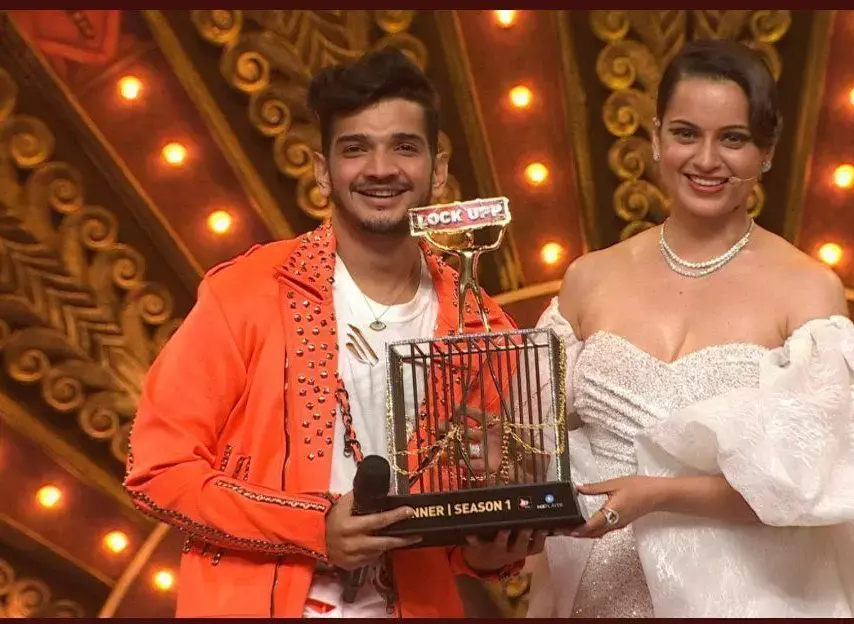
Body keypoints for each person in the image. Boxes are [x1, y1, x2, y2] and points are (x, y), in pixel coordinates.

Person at [525, 39, 854, 618]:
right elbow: (533, 444)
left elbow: (811, 484)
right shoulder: (589, 279)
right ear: (657, 137)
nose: (706, 159)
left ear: (766, 153)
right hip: (592, 589)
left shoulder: (806, 290)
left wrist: (661, 494)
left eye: (732, 139)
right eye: (686, 133)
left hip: (745, 596)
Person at [123, 49, 543, 619]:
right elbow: (158, 471)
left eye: (404, 146)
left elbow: (455, 535)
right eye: (355, 148)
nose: (380, 168)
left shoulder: (478, 325)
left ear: (438, 168)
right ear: (323, 171)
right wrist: (314, 528)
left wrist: (491, 550)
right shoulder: (248, 291)